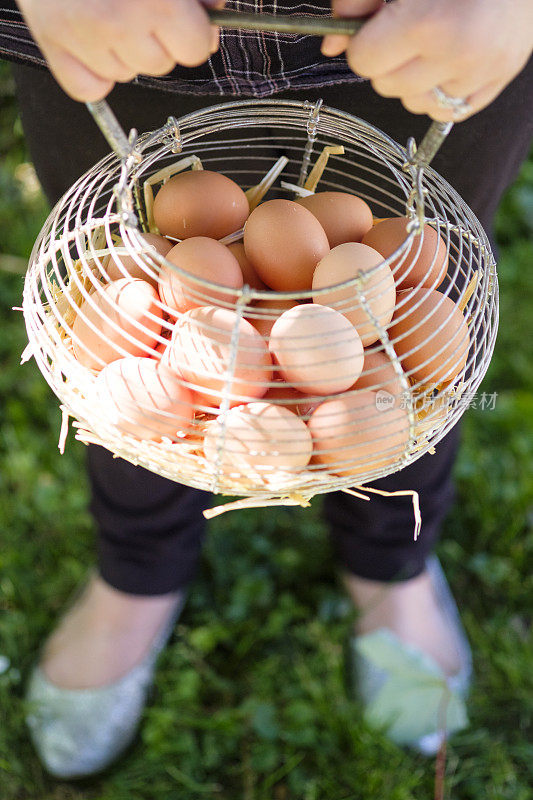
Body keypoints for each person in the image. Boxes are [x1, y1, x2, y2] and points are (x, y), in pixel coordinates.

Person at [3, 0, 533, 780]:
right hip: (114, 27)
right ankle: (137, 567)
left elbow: (388, 347)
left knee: (409, 349)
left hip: (435, 26)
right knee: (143, 350)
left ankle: (392, 564)